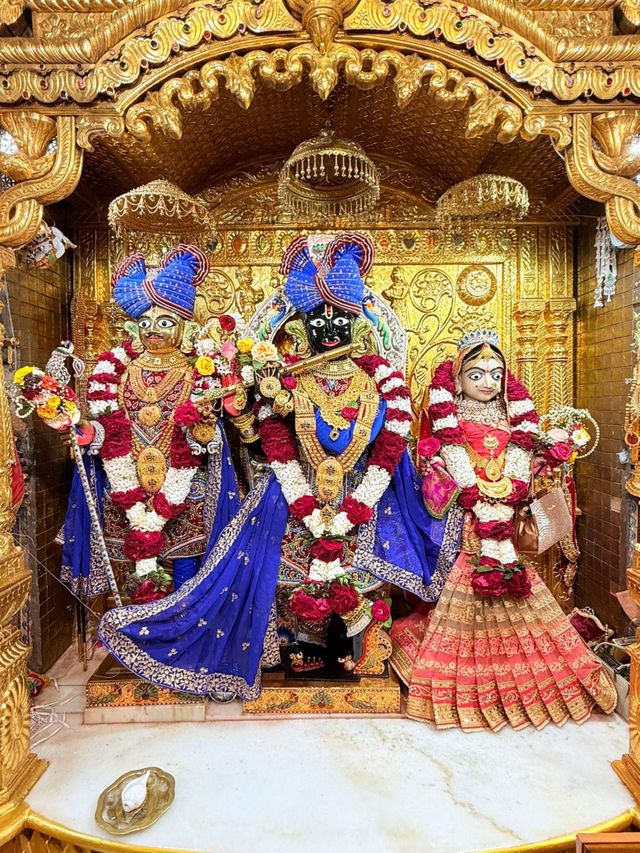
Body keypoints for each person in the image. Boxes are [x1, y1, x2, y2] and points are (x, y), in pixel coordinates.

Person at [97, 232, 446, 699]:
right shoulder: (286, 378)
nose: (328, 329)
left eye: (339, 319)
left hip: (360, 488)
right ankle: (298, 650)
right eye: (317, 319)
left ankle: (356, 651)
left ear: (360, 328)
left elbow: (387, 436)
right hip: (291, 488)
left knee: (359, 576)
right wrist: (254, 409)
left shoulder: (375, 380)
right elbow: (259, 443)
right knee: (282, 572)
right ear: (299, 331)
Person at [390, 329, 617, 731]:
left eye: (496, 375)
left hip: (506, 511)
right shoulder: (444, 414)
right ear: (457, 378)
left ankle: (521, 673)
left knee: (513, 579)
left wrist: (542, 463)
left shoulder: (514, 415)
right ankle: (466, 677)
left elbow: (525, 461)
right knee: (466, 577)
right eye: (476, 375)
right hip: (466, 514)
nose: (488, 383)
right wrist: (455, 479)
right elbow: (434, 462)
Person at [61, 244, 239, 601]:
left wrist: (203, 431)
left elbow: (212, 432)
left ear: (184, 327)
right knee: (136, 557)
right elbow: (110, 425)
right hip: (127, 475)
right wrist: (89, 433)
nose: (153, 330)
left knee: (186, 557)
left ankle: (183, 619)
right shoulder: (119, 369)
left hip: (185, 479)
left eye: (164, 322)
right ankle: (143, 621)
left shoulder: (198, 369)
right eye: (145, 323)